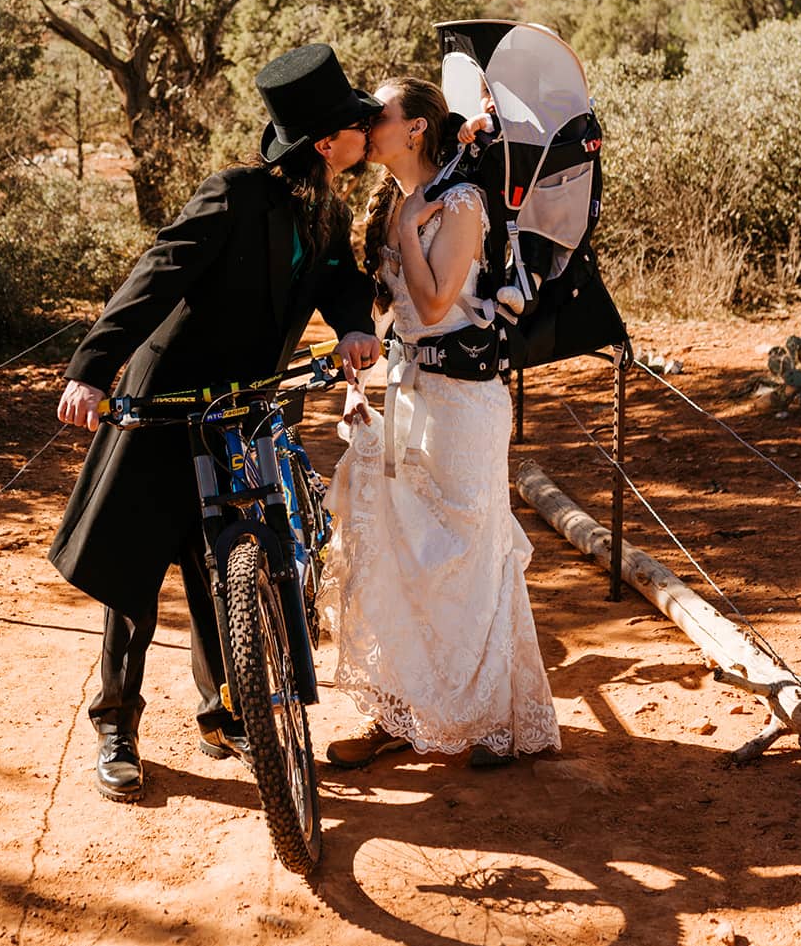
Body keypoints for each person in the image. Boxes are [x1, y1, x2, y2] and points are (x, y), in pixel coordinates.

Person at [51, 43, 383, 802]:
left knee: (227, 562)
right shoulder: (233, 193)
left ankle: (224, 714)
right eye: (358, 125)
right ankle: (115, 725)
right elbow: (158, 269)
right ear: (326, 141)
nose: (369, 133)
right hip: (163, 407)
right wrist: (90, 369)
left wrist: (354, 325)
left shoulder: (327, 205)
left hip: (244, 412)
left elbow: (336, 277)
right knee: (133, 574)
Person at [321, 76, 561, 769]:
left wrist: (403, 228)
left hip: (462, 403)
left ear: (417, 128)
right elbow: (386, 319)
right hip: (401, 393)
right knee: (391, 553)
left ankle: (493, 723)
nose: (368, 123)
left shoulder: (458, 203)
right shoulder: (390, 202)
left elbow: (431, 309)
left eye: (380, 114)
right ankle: (397, 713)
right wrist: (356, 382)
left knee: (464, 558)